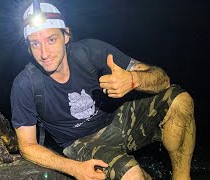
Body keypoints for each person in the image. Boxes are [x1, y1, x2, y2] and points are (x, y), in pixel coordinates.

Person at [10, 2, 196, 180]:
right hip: (82, 142)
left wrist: (133, 80)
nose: (44, 53)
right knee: (133, 176)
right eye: (35, 43)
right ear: (28, 47)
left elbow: (163, 80)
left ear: (66, 36)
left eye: (51, 39)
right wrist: (74, 168)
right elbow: (27, 146)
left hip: (117, 119)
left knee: (180, 100)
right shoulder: (25, 84)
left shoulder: (91, 52)